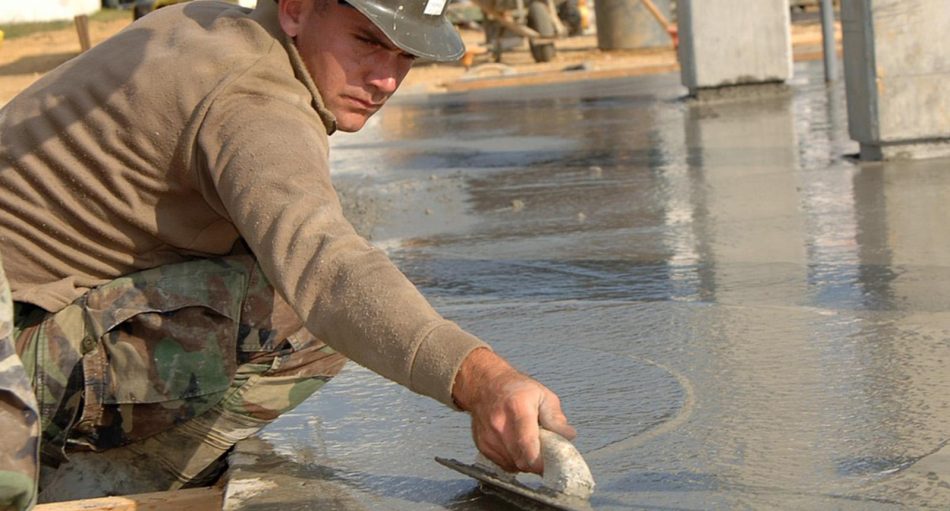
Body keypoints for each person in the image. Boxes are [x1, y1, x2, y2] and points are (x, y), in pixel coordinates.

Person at [0, 0, 576, 508]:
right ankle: (101, 482)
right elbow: (328, 271)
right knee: (306, 314)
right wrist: (481, 379)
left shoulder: (204, 25)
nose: (386, 80)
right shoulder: (256, 100)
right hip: (14, 367)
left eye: (406, 57)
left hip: (25, 314)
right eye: (368, 42)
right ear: (297, 9)